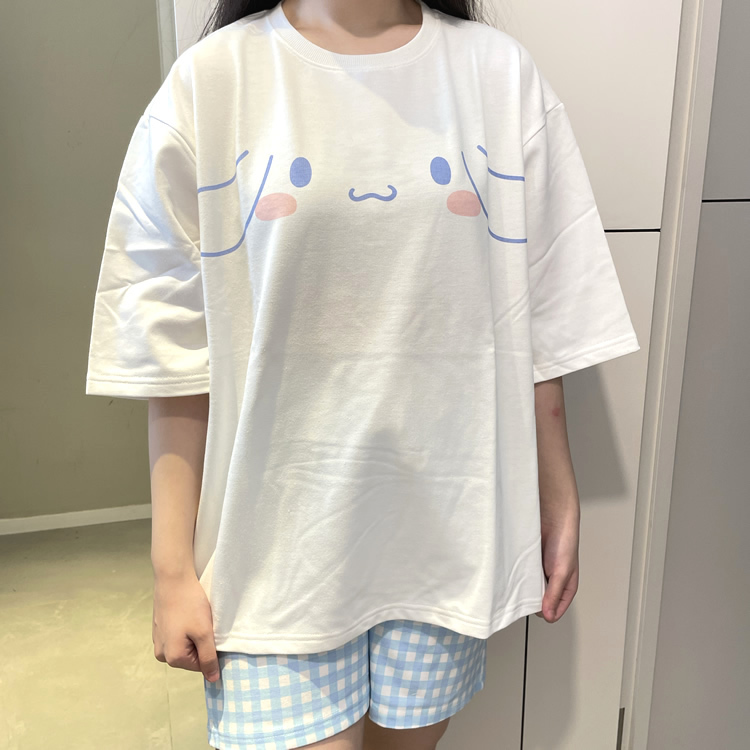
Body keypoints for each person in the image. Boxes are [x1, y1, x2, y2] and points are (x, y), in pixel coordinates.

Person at [85, 0, 640, 747]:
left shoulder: (498, 75)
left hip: (444, 535)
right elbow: (172, 352)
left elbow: (541, 306)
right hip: (270, 549)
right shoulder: (212, 81)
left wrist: (558, 491)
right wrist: (171, 567)